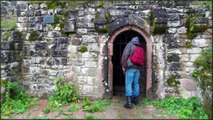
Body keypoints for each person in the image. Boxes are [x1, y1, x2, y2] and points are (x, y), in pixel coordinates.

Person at [121, 36, 145, 109]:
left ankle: (128, 103)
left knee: (128, 83)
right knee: (136, 83)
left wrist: (123, 66)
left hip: (130, 67)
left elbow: (125, 56)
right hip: (138, 68)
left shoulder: (130, 44)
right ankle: (136, 100)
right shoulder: (140, 47)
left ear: (132, 40)